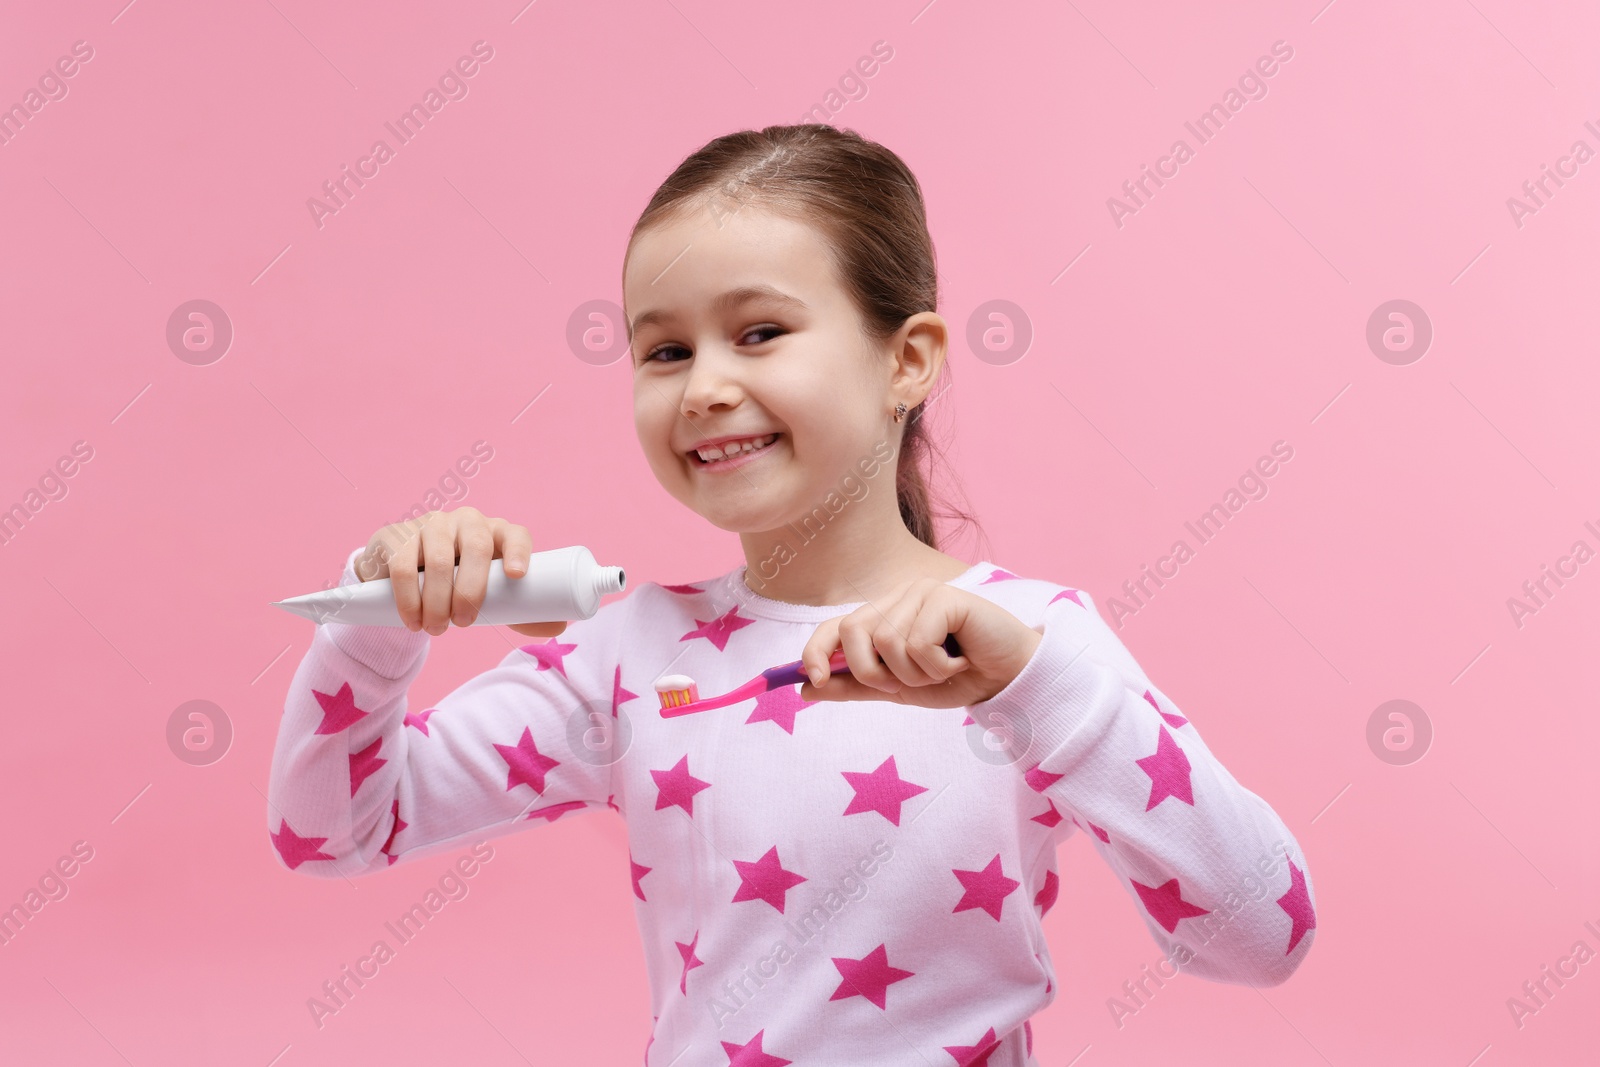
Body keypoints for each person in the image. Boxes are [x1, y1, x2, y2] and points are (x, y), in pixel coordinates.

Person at [267, 123, 1316, 1066]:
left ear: (907, 360)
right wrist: (380, 627)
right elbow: (332, 831)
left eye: (759, 331)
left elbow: (1262, 934)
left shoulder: (1033, 647)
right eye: (664, 350)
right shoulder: (624, 652)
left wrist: (1050, 691)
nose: (705, 385)